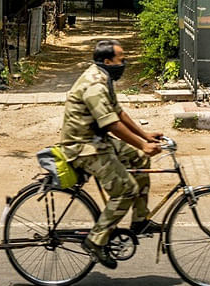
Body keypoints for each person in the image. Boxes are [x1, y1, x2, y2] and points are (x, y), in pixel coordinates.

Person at [58, 39, 166, 270]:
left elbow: (119, 113)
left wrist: (145, 136)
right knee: (126, 190)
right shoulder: (94, 85)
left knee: (139, 160)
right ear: (108, 61)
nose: (124, 63)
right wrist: (141, 143)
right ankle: (96, 240)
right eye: (121, 59)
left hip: (98, 142)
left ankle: (139, 221)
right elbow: (111, 124)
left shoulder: (103, 78)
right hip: (83, 147)